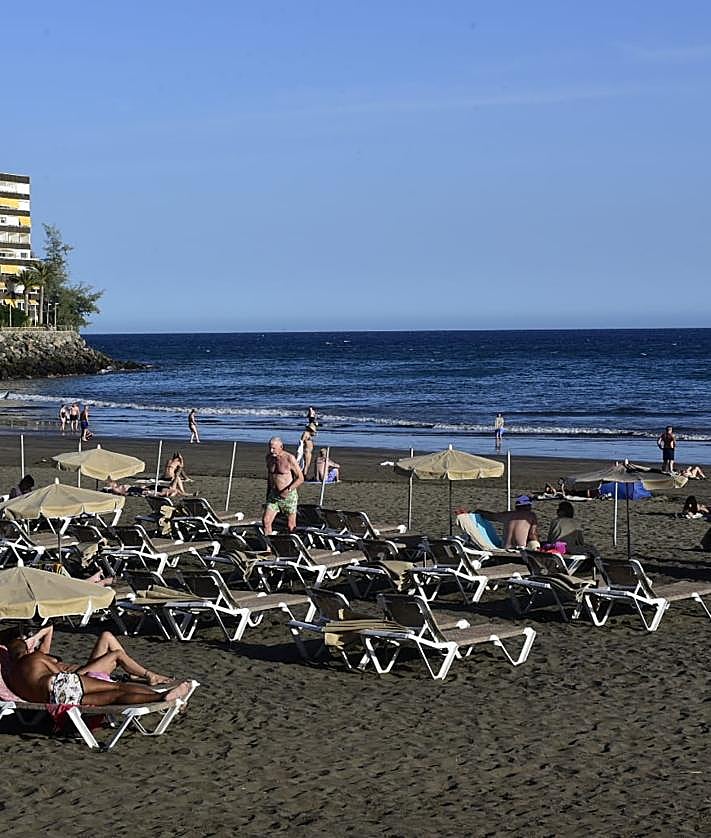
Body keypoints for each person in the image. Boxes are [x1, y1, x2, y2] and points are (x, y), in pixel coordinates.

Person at [4, 626, 191, 707]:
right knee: (118, 688)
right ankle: (160, 694)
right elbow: (60, 675)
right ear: (27, 650)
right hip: (61, 684)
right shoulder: (34, 658)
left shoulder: (11, 675)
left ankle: (161, 697)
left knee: (113, 698)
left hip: (56, 701)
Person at [262, 436, 304, 535]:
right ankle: (269, 547)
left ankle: (291, 546)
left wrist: (288, 490)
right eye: (270, 448)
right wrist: (268, 493)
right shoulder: (269, 458)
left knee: (291, 525)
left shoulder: (289, 458)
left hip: (288, 495)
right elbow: (270, 477)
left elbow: (300, 478)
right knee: (266, 521)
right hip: (274, 495)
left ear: (281, 447)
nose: (272, 451)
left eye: (274, 448)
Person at [475, 495, 540, 549]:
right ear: (528, 505)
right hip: (520, 548)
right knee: (534, 543)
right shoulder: (531, 515)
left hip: (505, 547)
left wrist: (479, 512)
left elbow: (491, 516)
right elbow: (532, 534)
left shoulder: (507, 514)